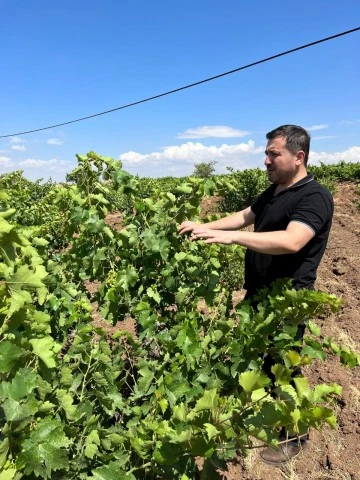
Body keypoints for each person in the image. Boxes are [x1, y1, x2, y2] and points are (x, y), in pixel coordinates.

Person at [178, 124, 334, 466]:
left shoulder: (314, 197)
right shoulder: (275, 191)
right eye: (266, 153)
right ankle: (257, 406)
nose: (266, 161)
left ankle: (294, 437)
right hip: (259, 291)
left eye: (273, 154)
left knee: (283, 366)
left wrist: (233, 240)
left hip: (288, 299)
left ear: (299, 156)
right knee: (260, 356)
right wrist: (203, 226)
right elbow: (244, 217)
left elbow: (291, 241)